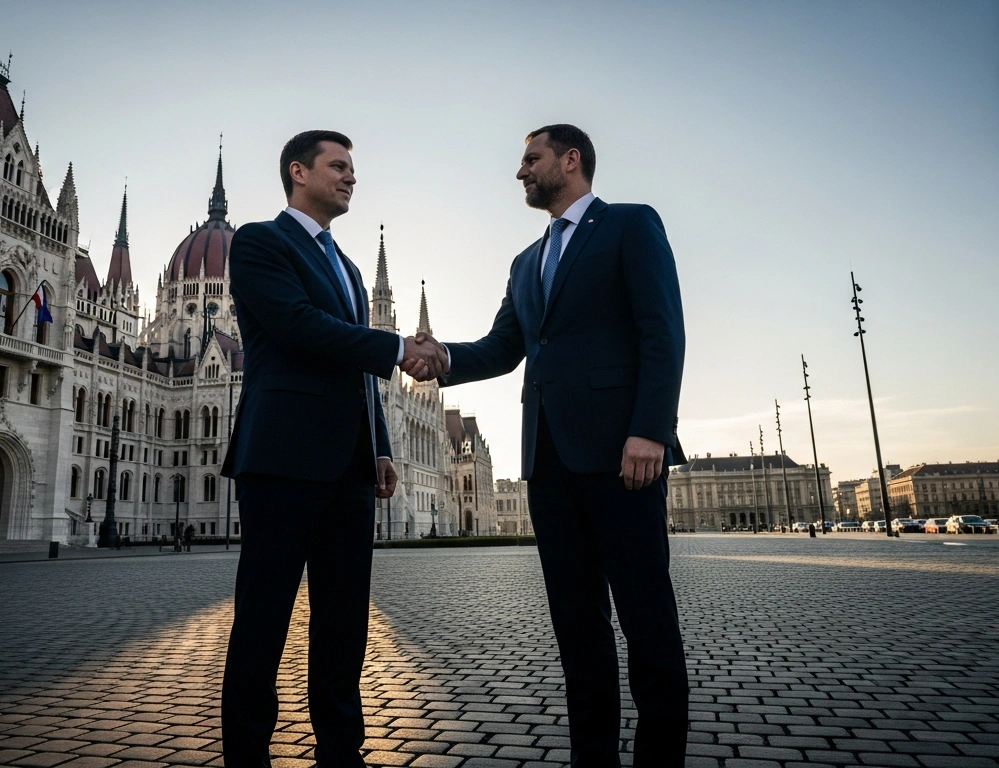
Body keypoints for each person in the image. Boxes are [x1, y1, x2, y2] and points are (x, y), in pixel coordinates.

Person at [420, 124, 688, 766]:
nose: (520, 171)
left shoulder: (630, 225)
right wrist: (441, 358)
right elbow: (503, 347)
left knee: (648, 625)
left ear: (571, 161)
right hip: (549, 464)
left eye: (530, 159)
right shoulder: (526, 261)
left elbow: (663, 331)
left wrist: (649, 428)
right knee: (578, 633)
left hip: (624, 456)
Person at [219, 130, 445, 768]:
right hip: (283, 457)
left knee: (344, 623)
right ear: (299, 172)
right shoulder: (262, 241)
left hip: (349, 468)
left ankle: (341, 753)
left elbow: (356, 372)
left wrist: (378, 445)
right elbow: (296, 327)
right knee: (263, 620)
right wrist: (396, 345)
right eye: (338, 166)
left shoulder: (347, 267)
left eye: (352, 168)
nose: (350, 178)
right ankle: (247, 756)